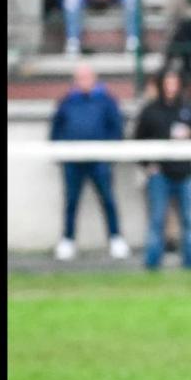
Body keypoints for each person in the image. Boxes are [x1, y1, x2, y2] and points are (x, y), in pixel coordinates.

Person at [51, 62, 129, 261]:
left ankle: (115, 238)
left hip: (99, 161)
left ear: (94, 78)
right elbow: (57, 128)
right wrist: (60, 152)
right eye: (80, 78)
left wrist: (110, 153)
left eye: (87, 77)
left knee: (108, 200)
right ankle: (68, 240)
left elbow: (116, 127)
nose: (84, 81)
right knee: (71, 201)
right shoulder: (67, 101)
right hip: (73, 161)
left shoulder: (106, 100)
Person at [134, 68, 191, 270]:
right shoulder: (150, 111)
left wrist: (190, 133)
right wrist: (148, 165)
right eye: (167, 82)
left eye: (174, 82)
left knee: (187, 220)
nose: (171, 87)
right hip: (160, 175)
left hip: (185, 173)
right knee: (157, 220)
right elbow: (137, 141)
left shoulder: (188, 108)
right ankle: (152, 263)